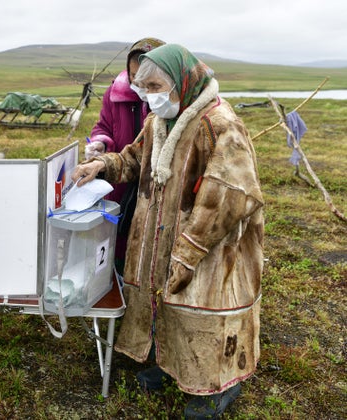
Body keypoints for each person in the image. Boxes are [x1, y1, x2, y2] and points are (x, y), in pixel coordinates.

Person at [71, 44, 264, 419]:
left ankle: (220, 383)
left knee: (205, 307)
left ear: (182, 81)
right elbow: (133, 158)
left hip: (212, 246)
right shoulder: (159, 123)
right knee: (169, 300)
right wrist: (103, 165)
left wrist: (190, 247)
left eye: (156, 86)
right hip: (163, 232)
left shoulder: (220, 125)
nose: (149, 96)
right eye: (144, 88)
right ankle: (171, 363)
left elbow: (230, 197)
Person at [86, 37, 165, 276]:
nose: (138, 82)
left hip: (155, 180)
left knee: (150, 235)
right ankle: (116, 276)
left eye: (147, 76)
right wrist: (100, 142)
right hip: (119, 177)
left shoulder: (166, 97)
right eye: (133, 75)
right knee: (119, 231)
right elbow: (103, 126)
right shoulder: (115, 93)